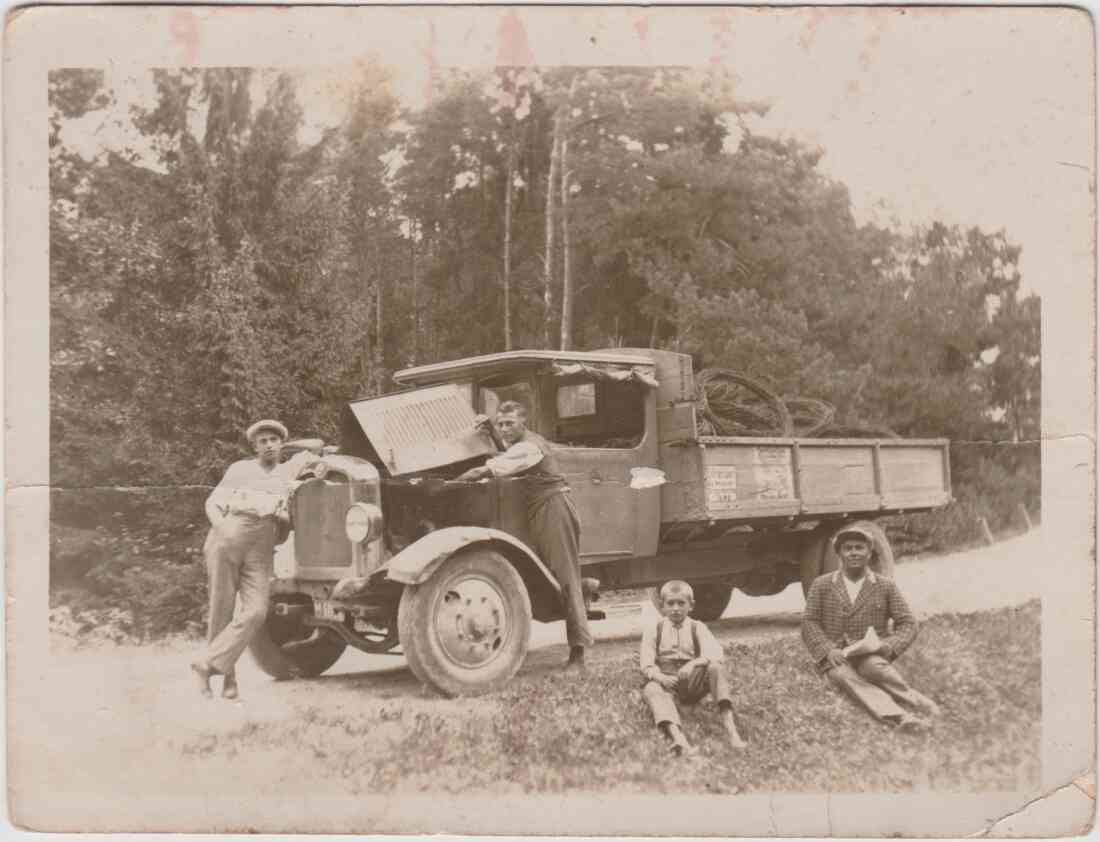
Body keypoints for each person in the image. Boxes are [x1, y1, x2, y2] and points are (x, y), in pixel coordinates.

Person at [455, 401, 593, 670]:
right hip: (539, 510)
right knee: (550, 576)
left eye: (510, 424)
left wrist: (450, 483)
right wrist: (492, 433)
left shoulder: (529, 447)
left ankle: (579, 653)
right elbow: (506, 449)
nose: (504, 429)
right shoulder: (518, 443)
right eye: (500, 424)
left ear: (523, 423)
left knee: (566, 576)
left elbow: (489, 468)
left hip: (553, 509)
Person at [190, 420, 319, 700]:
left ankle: (205, 664)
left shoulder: (289, 470)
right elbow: (213, 502)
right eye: (263, 441)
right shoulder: (241, 469)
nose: (269, 445)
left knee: (257, 611)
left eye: (274, 439)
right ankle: (226, 681)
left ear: (282, 443)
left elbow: (317, 449)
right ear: (255, 447)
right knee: (221, 609)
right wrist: (222, 528)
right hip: (232, 533)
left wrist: (297, 446)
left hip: (263, 543)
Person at [801, 524, 940, 731]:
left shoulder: (885, 585)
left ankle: (919, 703)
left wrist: (889, 646)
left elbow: (908, 622)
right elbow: (809, 622)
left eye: (859, 548)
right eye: (847, 548)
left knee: (875, 669)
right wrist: (827, 650)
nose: (854, 553)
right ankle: (899, 717)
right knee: (842, 676)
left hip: (871, 652)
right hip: (836, 656)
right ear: (839, 554)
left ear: (870, 553)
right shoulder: (822, 584)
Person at [640, 580, 746, 755]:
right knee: (651, 688)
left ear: (691, 605)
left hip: (692, 680)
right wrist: (661, 678)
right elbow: (647, 664)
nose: (675, 608)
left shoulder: (697, 627)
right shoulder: (653, 629)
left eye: (681, 603)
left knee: (716, 668)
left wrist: (694, 663)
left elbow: (715, 654)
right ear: (662, 606)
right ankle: (678, 739)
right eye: (670, 603)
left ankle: (731, 730)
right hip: (668, 682)